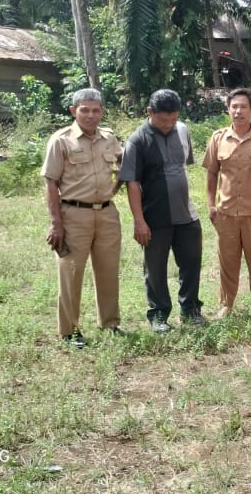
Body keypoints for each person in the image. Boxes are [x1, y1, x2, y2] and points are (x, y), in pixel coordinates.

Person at [41, 88, 123, 348]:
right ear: (73, 111)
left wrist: (114, 190)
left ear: (102, 112)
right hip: (73, 215)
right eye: (84, 110)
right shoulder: (61, 140)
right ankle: (69, 330)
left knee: (109, 271)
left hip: (108, 214)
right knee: (71, 273)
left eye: (96, 110)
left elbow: (122, 168)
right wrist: (56, 223)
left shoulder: (109, 138)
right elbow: (50, 182)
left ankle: (110, 324)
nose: (90, 115)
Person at [118, 89, 206, 333]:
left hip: (186, 214)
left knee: (191, 262)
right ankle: (158, 314)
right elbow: (132, 183)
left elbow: (182, 168)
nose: (168, 125)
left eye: (173, 119)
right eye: (163, 120)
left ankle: (190, 309)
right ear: (150, 112)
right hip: (154, 216)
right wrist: (139, 221)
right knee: (155, 268)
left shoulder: (183, 130)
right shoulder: (137, 140)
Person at [203, 88, 251, 319]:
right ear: (228, 110)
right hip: (226, 215)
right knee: (228, 262)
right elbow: (212, 174)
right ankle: (226, 305)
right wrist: (211, 205)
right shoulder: (218, 139)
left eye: (243, 107)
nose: (238, 111)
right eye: (234, 107)